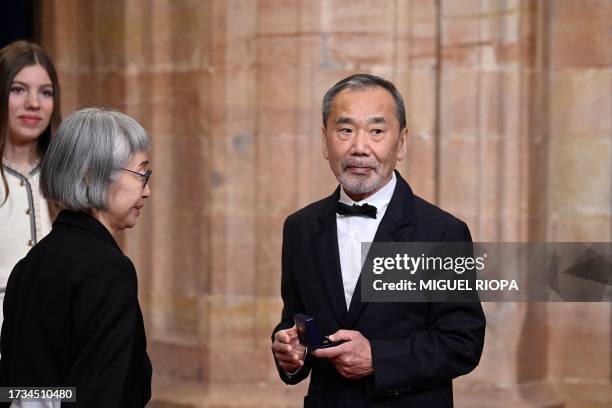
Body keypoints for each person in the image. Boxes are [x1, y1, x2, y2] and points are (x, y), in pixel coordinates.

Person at [271, 74, 486, 407]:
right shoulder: (300, 227)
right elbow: (295, 319)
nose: (359, 147)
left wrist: (378, 358)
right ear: (324, 140)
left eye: (376, 131)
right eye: (345, 130)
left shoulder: (442, 233)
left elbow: (462, 342)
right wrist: (290, 350)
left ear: (400, 143)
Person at [0, 108, 153, 407]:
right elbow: (99, 395)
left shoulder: (29, 265)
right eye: (140, 173)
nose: (147, 190)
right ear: (91, 174)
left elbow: (12, 392)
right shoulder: (108, 270)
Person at [0, 41, 61, 329]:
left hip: (56, 351)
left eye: (45, 92)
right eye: (18, 89)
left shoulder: (66, 178)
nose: (33, 103)